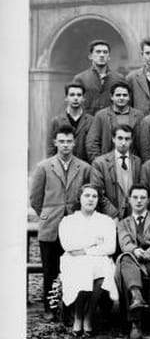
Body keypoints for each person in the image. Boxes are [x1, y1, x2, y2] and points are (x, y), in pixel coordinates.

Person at [30, 124, 91, 320]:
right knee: (50, 268)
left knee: (73, 266)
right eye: (61, 141)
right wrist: (47, 215)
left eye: (69, 141)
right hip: (51, 226)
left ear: (74, 143)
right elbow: (35, 199)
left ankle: (69, 307)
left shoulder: (84, 168)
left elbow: (87, 195)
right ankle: (50, 307)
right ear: (55, 142)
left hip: (74, 226)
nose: (65, 145)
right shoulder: (44, 167)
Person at [58, 184, 118, 337]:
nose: (91, 199)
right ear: (79, 198)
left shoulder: (106, 221)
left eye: (94, 196)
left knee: (102, 271)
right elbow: (68, 246)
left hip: (98, 259)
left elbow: (110, 247)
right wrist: (94, 241)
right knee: (83, 269)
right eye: (87, 195)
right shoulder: (68, 220)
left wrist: (85, 250)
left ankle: (89, 315)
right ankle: (78, 315)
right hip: (74, 260)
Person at [115, 184, 150, 339]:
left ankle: (147, 318)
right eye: (135, 197)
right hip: (134, 257)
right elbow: (125, 243)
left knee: (144, 267)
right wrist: (135, 250)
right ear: (129, 200)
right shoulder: (123, 223)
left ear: (148, 200)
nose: (139, 201)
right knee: (125, 259)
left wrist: (146, 255)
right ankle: (135, 301)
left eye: (142, 197)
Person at [90, 124, 142, 220]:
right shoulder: (100, 163)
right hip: (110, 217)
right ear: (113, 139)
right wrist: (113, 214)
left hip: (132, 215)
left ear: (131, 140)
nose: (123, 143)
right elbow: (98, 192)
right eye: (120, 138)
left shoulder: (137, 162)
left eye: (127, 139)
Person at [85, 82, 144, 160]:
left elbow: (143, 143)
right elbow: (92, 142)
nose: (121, 98)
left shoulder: (139, 115)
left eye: (125, 95)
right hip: (108, 161)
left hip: (131, 161)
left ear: (129, 97)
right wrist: (99, 162)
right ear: (112, 97)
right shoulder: (101, 115)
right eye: (118, 95)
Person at [73, 39, 127, 115]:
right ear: (90, 56)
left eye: (105, 52)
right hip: (88, 120)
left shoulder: (118, 78)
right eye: (98, 52)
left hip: (111, 120)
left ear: (109, 57)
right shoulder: (81, 79)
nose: (102, 55)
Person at [47, 82, 94, 163]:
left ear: (83, 98)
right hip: (62, 164)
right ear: (66, 98)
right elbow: (51, 148)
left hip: (85, 165)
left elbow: (94, 146)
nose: (75, 98)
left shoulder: (91, 121)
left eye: (79, 95)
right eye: (72, 95)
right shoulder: (56, 121)